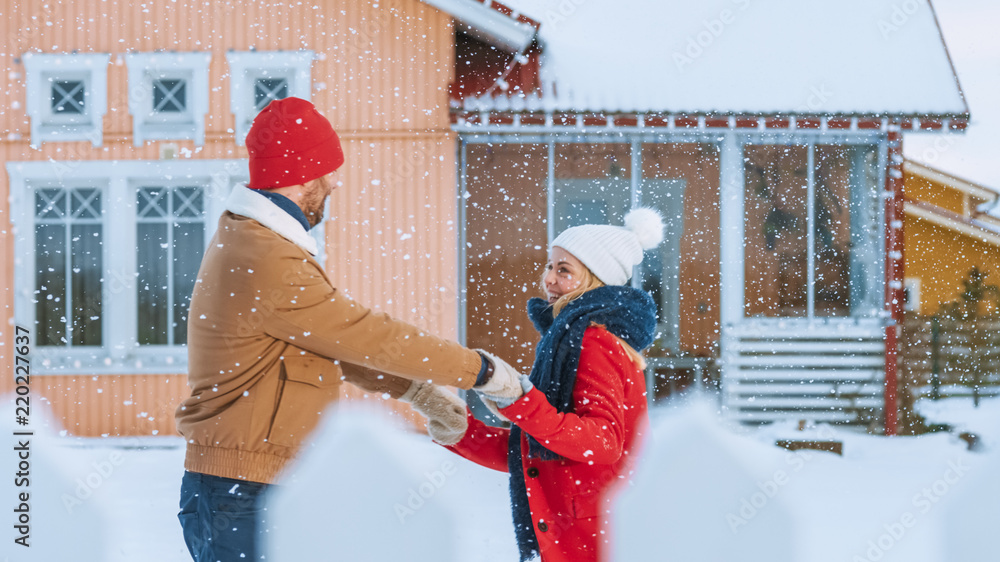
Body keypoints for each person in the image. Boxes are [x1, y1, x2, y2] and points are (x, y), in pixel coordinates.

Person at [174, 97, 522, 562]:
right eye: (327, 171)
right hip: (243, 493)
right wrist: (480, 370)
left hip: (247, 486)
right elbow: (368, 335)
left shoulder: (256, 243)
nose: (335, 182)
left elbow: (327, 347)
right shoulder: (268, 258)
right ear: (301, 175)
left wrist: (416, 391)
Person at [420, 208, 663, 562]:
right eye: (550, 266)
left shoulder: (593, 342)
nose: (548, 278)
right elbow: (538, 451)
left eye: (564, 270)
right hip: (578, 534)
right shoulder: (570, 338)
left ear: (596, 279)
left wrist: (522, 399)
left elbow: (602, 441)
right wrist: (460, 430)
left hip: (588, 540)